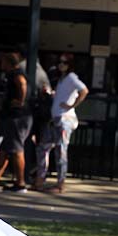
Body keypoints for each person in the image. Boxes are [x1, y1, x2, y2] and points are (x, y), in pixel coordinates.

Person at [34, 53, 88, 194]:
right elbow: (62, 96)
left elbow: (84, 90)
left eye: (65, 62)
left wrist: (71, 105)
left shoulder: (71, 77)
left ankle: (60, 183)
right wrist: (51, 94)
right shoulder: (61, 79)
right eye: (60, 62)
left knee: (60, 151)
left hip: (64, 119)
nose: (61, 65)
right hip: (55, 118)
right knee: (43, 148)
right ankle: (40, 179)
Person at [0, 50, 32, 193]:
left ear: (9, 63)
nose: (1, 64)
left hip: (17, 117)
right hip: (12, 116)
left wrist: (20, 101)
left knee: (17, 149)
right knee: (5, 149)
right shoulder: (14, 74)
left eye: (3, 62)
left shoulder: (16, 74)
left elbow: (22, 83)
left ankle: (21, 182)